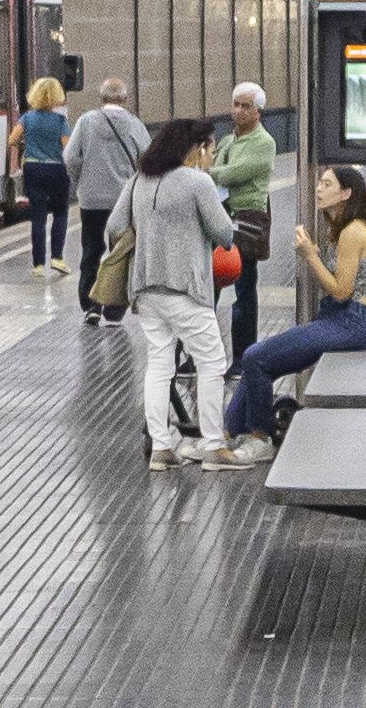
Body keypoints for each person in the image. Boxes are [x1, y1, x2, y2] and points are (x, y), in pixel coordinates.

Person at [223, 162, 366, 455]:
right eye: (320, 184)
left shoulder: (353, 231)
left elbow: (341, 292)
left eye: (327, 185)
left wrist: (310, 256)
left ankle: (259, 439)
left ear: (346, 193)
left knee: (255, 357)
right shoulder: (344, 229)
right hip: (338, 320)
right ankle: (227, 434)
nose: (319, 190)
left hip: (348, 324)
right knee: (257, 362)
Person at [117, 114, 234, 465]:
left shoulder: (140, 179)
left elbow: (114, 225)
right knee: (212, 362)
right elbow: (225, 234)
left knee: (159, 364)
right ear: (197, 149)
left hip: (146, 290)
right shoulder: (198, 182)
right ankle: (214, 445)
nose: (211, 156)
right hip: (185, 289)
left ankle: (162, 447)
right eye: (210, 149)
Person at [65, 81, 149, 321]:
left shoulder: (86, 121)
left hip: (91, 200)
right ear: (124, 99)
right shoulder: (135, 125)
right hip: (123, 201)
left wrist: (82, 180)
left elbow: (70, 156)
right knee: (119, 252)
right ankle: (114, 307)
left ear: (101, 98)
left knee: (91, 249)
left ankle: (91, 304)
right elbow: (147, 158)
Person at [207, 83, 281, 356]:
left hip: (247, 219)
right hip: (221, 216)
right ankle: (204, 353)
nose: (238, 111)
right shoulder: (228, 140)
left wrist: (209, 173)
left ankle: (243, 355)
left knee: (243, 289)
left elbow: (236, 173)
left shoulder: (265, 143)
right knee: (210, 285)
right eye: (236, 104)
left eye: (246, 106)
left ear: (258, 111)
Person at [15, 75, 74, 270]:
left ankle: (38, 264)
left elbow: (11, 140)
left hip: (33, 168)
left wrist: (28, 145)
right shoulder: (60, 121)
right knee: (60, 213)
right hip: (56, 168)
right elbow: (67, 147)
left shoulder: (26, 118)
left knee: (38, 217)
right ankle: (57, 258)